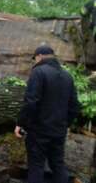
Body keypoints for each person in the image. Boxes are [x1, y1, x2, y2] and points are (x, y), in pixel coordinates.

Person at [14, 45, 80, 183]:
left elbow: (31, 102)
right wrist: (65, 124)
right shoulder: (68, 76)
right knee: (58, 165)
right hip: (58, 131)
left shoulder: (38, 72)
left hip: (39, 131)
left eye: (35, 59)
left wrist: (21, 123)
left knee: (36, 166)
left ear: (39, 56)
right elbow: (74, 106)